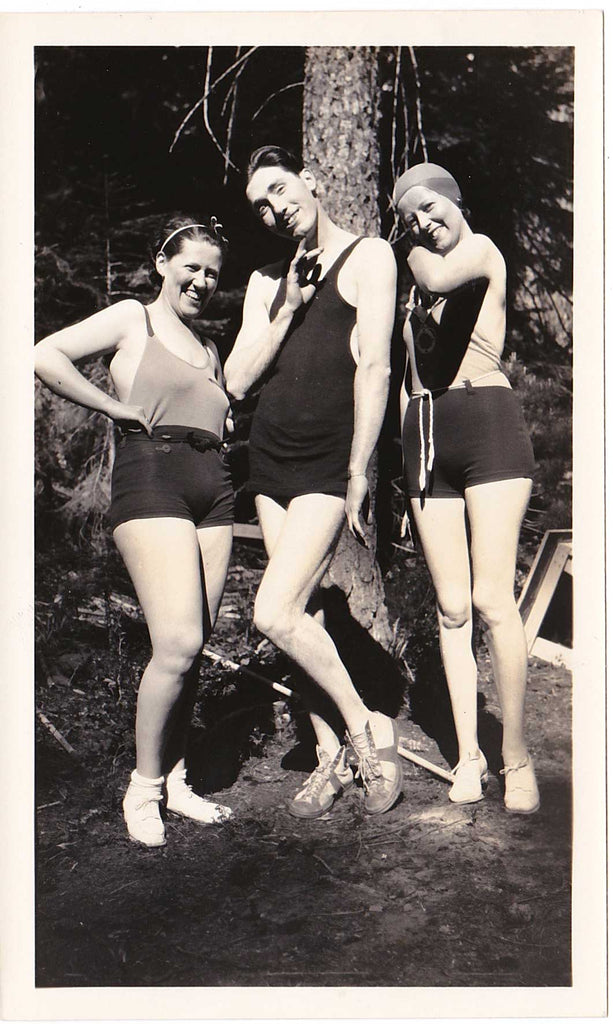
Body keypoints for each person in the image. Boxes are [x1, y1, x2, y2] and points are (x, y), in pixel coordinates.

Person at [35, 216, 235, 846]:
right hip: (151, 479)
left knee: (195, 646)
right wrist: (116, 408)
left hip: (215, 489)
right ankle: (143, 786)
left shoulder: (209, 351)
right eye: (192, 267)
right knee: (175, 642)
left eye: (212, 274)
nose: (202, 282)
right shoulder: (133, 318)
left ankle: (177, 780)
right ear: (162, 264)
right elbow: (44, 355)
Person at [224, 145, 401, 820]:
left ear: (312, 180)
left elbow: (375, 369)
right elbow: (236, 382)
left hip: (328, 460)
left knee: (273, 611)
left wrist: (359, 468)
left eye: (279, 189)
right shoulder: (267, 279)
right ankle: (329, 754)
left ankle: (363, 731)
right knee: (304, 613)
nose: (274, 209)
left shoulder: (370, 258)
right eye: (260, 206)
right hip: (269, 460)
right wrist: (287, 306)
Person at [393, 162, 539, 814]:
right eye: (410, 219)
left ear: (453, 201)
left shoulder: (476, 253)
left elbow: (431, 271)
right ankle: (468, 758)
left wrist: (404, 249)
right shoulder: (418, 288)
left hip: (489, 427)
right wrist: (405, 438)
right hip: (426, 438)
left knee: (490, 598)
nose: (423, 225)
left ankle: (517, 758)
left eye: (428, 209)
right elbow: (410, 370)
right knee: (451, 607)